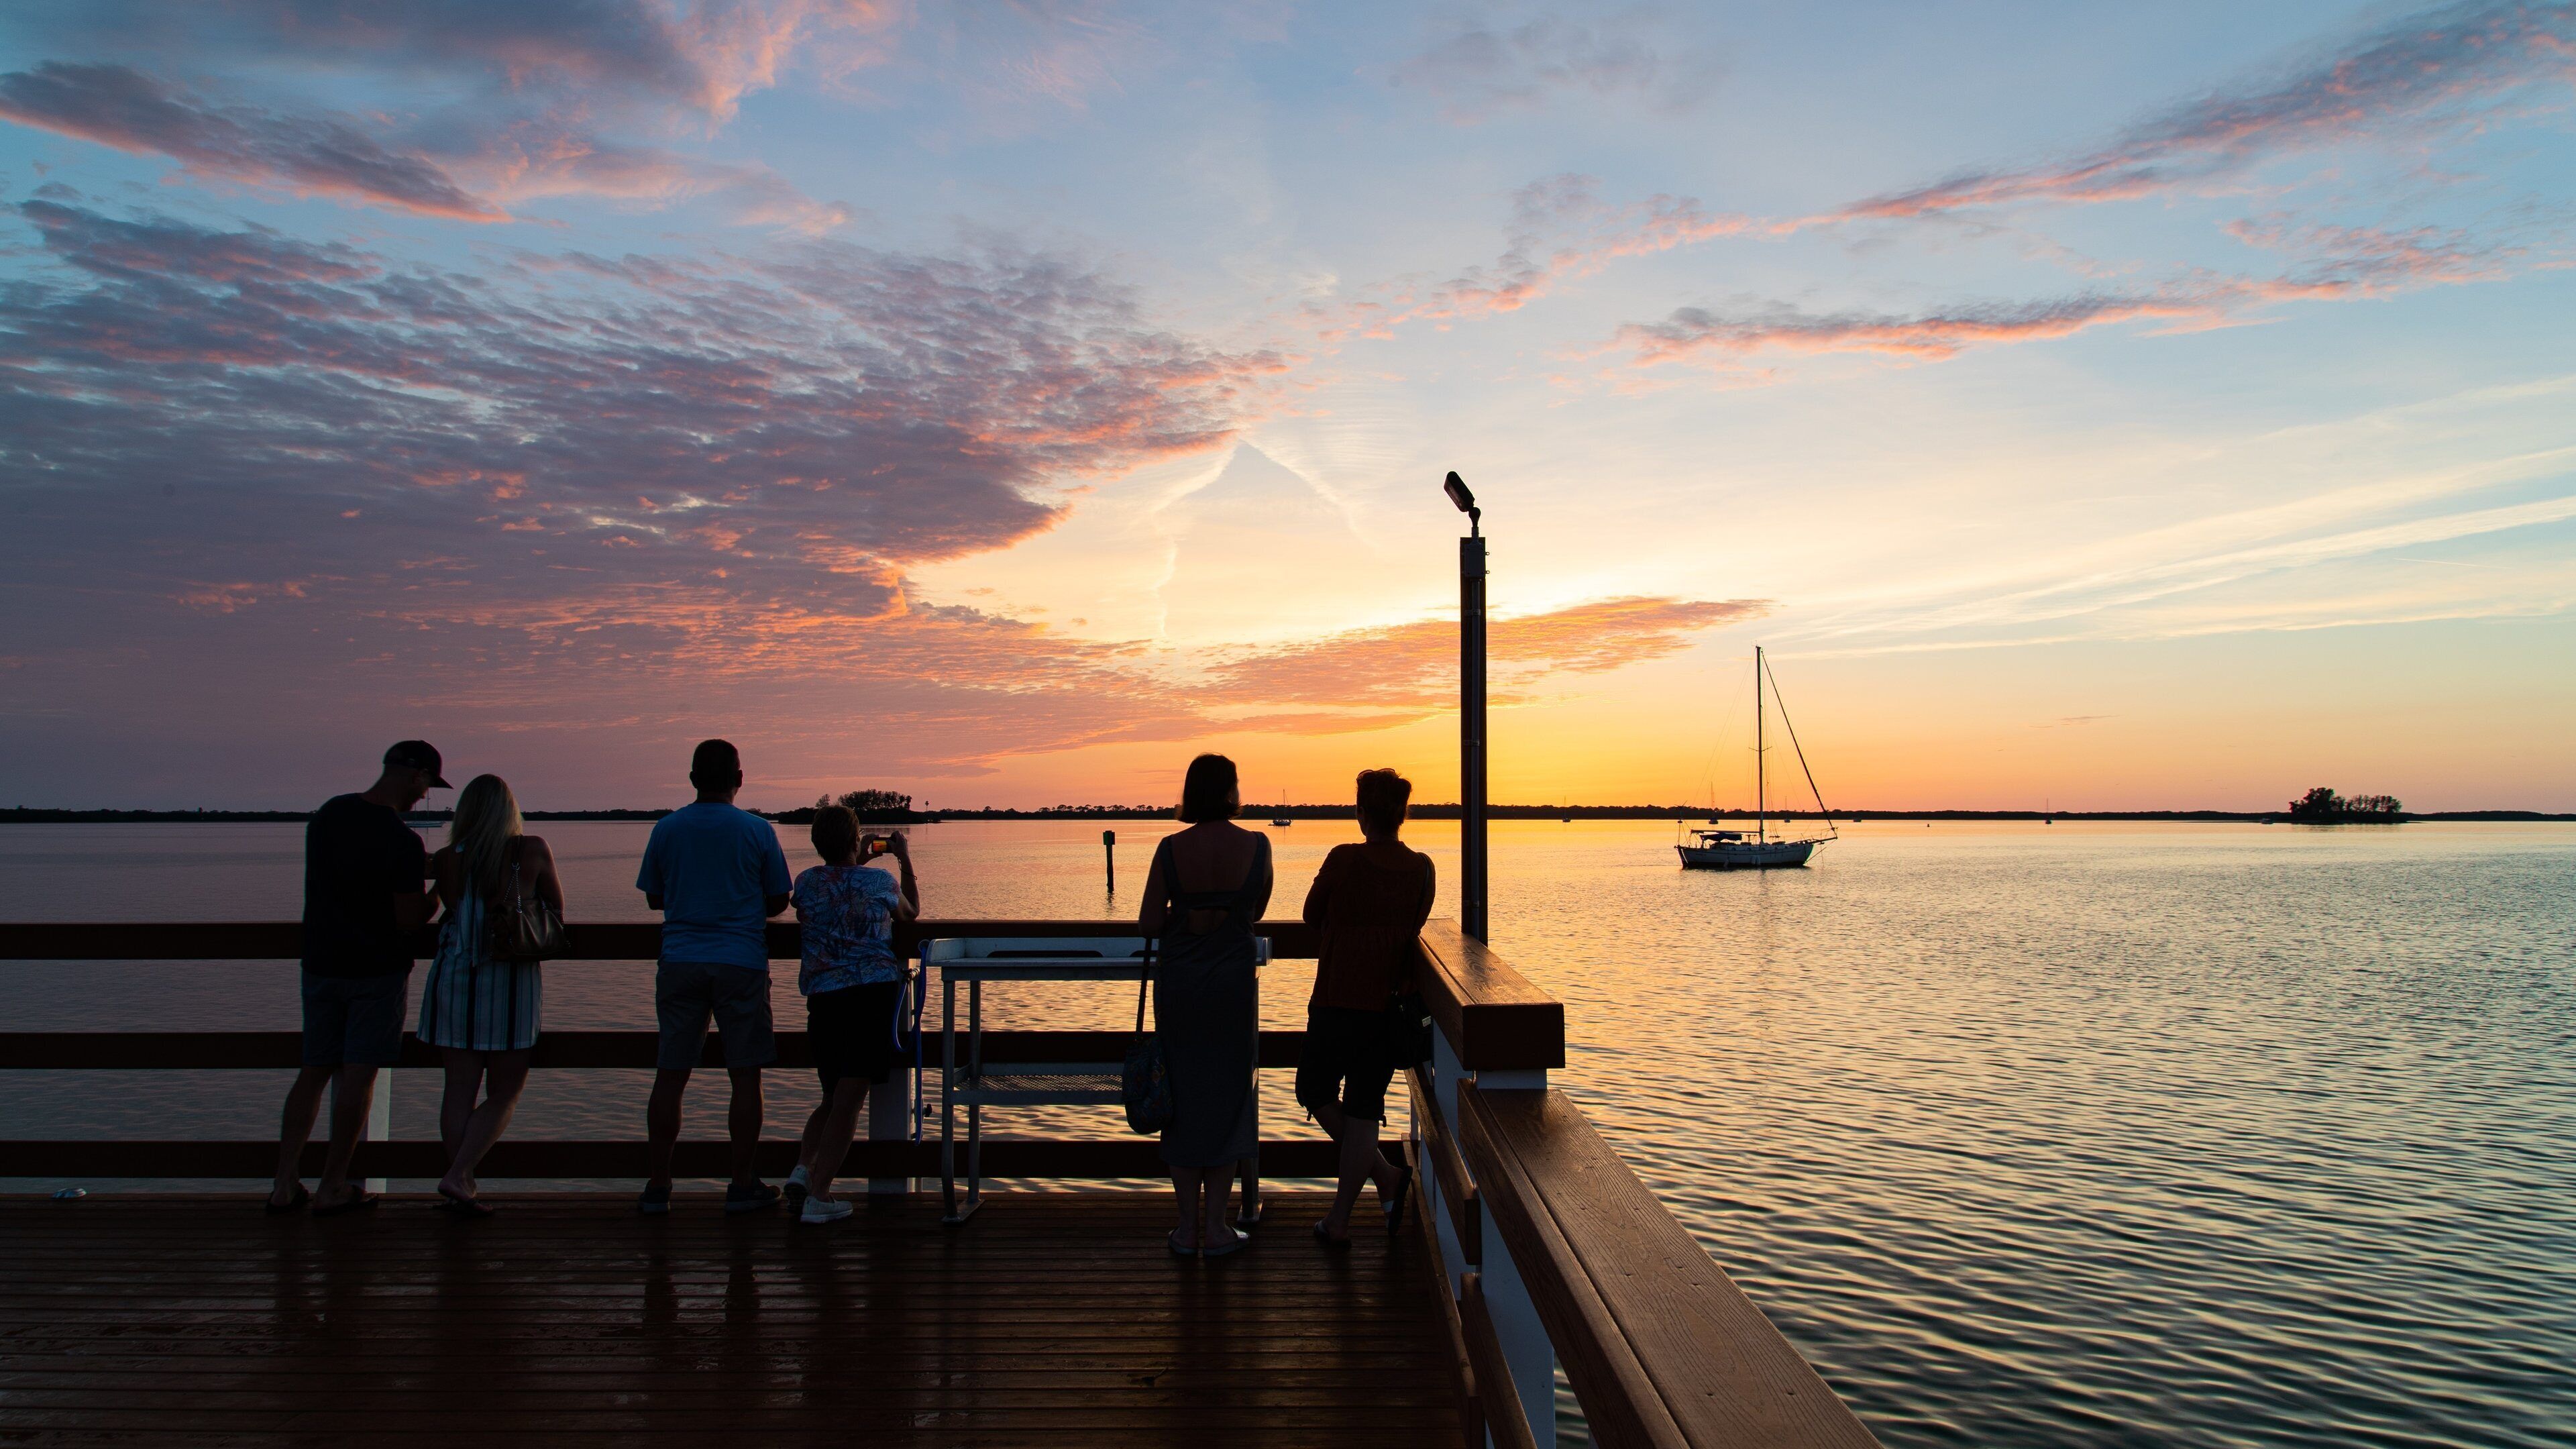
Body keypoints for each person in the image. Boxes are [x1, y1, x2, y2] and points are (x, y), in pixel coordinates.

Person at [269, 741, 447, 1216]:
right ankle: (332, 1185)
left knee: (314, 1071)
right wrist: (441, 893)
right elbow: (409, 919)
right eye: (428, 784)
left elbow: (348, 875)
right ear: (416, 776)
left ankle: (284, 1184)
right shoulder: (402, 841)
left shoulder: (330, 815)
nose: (425, 796)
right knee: (359, 1074)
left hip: (321, 963)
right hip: (376, 970)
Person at [635, 739, 792, 1215]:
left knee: (671, 1075)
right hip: (740, 962)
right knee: (745, 1077)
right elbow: (779, 900)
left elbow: (654, 898)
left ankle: (659, 1186)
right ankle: (742, 1183)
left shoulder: (667, 829)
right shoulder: (757, 831)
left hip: (681, 960)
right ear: (738, 780)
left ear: (692, 779)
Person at [1138, 753, 1271, 1257]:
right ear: (1232, 792)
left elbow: (1149, 923)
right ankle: (1217, 1228)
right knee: (1228, 1099)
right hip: (1231, 991)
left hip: (1182, 991)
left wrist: (1183, 912)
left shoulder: (1171, 849)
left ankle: (1186, 1228)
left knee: (1183, 1100)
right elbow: (1253, 910)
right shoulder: (1257, 847)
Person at [1299, 768, 1432, 1245]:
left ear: (1361, 813)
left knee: (1313, 1089)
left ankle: (1346, 1216)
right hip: (1387, 1006)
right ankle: (1379, 1182)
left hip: (1337, 998)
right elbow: (1415, 924)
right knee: (1361, 1109)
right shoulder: (1422, 868)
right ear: (1401, 816)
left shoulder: (1344, 860)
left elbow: (1311, 916)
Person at [417, 773, 561, 1216]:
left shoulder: (445, 859)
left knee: (458, 1089)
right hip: (510, 981)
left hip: (455, 976)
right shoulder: (531, 849)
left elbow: (438, 912)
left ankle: (461, 1181)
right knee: (505, 1090)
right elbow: (556, 912)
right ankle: (460, 1176)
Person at [783, 807, 920, 1225]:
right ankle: (819, 1196)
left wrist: (853, 858)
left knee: (832, 1095)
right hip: (869, 998)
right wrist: (904, 857)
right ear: (856, 838)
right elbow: (910, 912)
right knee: (849, 1101)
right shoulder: (878, 881)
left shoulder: (805, 884)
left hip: (823, 999)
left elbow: (831, 892)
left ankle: (804, 1170)